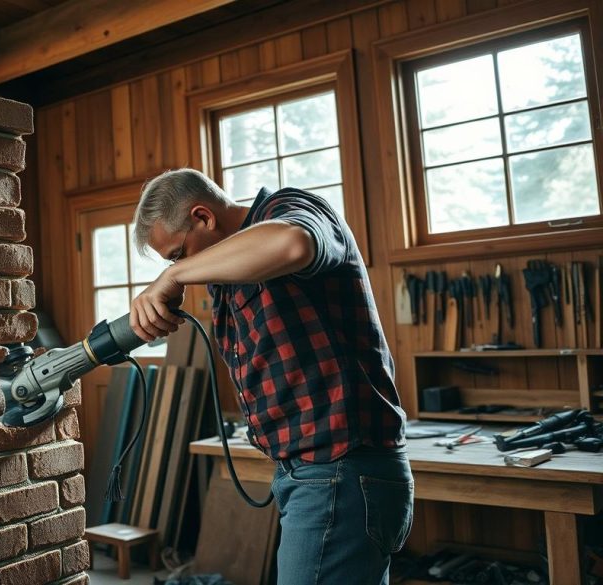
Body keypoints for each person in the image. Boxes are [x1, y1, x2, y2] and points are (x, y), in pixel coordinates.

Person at [129, 168, 412, 585]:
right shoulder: (226, 274)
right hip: (311, 473)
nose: (180, 267)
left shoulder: (290, 208)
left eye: (176, 254)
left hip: (340, 470)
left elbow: (291, 242)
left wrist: (173, 276)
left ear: (203, 217)